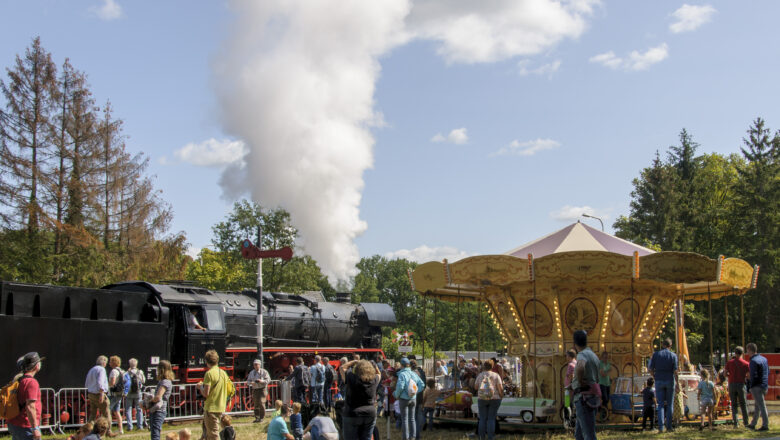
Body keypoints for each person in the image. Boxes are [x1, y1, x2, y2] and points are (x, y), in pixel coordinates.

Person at [340, 359, 381, 440]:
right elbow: (379, 373)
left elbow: (342, 368)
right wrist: (373, 364)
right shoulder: (374, 380)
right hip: (370, 413)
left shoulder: (351, 377)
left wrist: (353, 361)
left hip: (352, 413)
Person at [8, 352, 44, 440]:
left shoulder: (19, 379)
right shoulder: (32, 382)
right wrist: (35, 428)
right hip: (26, 425)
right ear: (36, 366)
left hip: (15, 423)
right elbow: (30, 406)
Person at [571, 330, 600, 440]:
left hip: (583, 398)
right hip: (592, 397)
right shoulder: (593, 355)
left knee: (589, 435)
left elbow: (581, 366)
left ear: (574, 343)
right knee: (579, 435)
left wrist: (580, 381)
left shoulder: (582, 355)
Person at [197, 350, 231, 440]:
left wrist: (200, 387)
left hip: (211, 408)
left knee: (213, 435)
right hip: (220, 406)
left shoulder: (209, 374)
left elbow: (206, 393)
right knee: (209, 434)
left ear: (206, 361)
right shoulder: (223, 373)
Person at [648, 337, 678, 433]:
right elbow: (675, 371)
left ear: (663, 345)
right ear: (670, 346)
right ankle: (669, 426)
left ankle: (661, 427)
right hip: (670, 379)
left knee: (660, 404)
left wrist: (655, 377)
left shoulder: (656, 355)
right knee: (669, 404)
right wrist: (677, 383)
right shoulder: (673, 355)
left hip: (659, 380)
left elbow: (650, 369)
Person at [394, 357, 425, 440]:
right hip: (413, 399)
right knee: (412, 419)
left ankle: (406, 437)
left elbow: (400, 386)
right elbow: (422, 385)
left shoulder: (402, 374)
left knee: (405, 419)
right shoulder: (413, 373)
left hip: (404, 399)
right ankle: (413, 437)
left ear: (401, 365)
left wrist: (396, 395)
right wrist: (415, 392)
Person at [475, 359, 504, 440]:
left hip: (482, 398)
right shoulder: (496, 375)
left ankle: (481, 437)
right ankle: (490, 437)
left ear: (484, 366)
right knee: (491, 418)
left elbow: (476, 387)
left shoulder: (480, 375)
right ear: (492, 366)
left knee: (482, 418)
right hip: (494, 398)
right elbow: (500, 388)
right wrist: (501, 396)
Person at [85, 356, 113, 433]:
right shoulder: (101, 370)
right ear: (104, 363)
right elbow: (100, 382)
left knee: (93, 414)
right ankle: (108, 431)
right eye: (106, 363)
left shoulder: (92, 369)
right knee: (106, 413)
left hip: (91, 394)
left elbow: (87, 383)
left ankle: (87, 430)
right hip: (98, 394)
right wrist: (101, 394)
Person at [147, 360, 174, 440]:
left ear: (161, 369)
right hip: (158, 410)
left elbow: (158, 397)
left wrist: (149, 402)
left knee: (155, 433)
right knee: (154, 431)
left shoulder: (165, 382)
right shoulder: (164, 381)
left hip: (159, 410)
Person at [745, 342, 769, 431]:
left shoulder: (753, 361)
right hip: (764, 385)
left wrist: (750, 386)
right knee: (757, 405)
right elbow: (768, 371)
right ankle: (753, 423)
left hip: (756, 386)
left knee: (761, 406)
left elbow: (753, 375)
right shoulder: (764, 359)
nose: (747, 352)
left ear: (750, 350)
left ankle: (765, 425)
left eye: (747, 350)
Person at [123, 358, 146, 432]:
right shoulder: (140, 372)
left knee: (128, 409)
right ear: (136, 364)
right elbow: (143, 381)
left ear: (130, 364)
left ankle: (130, 427)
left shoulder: (126, 373)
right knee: (139, 409)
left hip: (129, 393)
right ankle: (140, 426)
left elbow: (124, 382)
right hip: (138, 392)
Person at [107, 356, 125, 434]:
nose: (109, 363)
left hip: (113, 394)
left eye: (110, 361)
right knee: (117, 411)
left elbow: (112, 382)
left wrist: (108, 385)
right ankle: (121, 429)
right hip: (120, 393)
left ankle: (108, 429)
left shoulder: (114, 371)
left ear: (113, 362)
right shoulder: (122, 371)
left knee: (108, 410)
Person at [409, 359, 426, 440]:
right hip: (419, 396)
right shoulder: (421, 372)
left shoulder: (410, 373)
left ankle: (414, 435)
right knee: (418, 415)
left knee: (412, 418)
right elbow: (424, 385)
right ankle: (418, 432)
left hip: (413, 396)